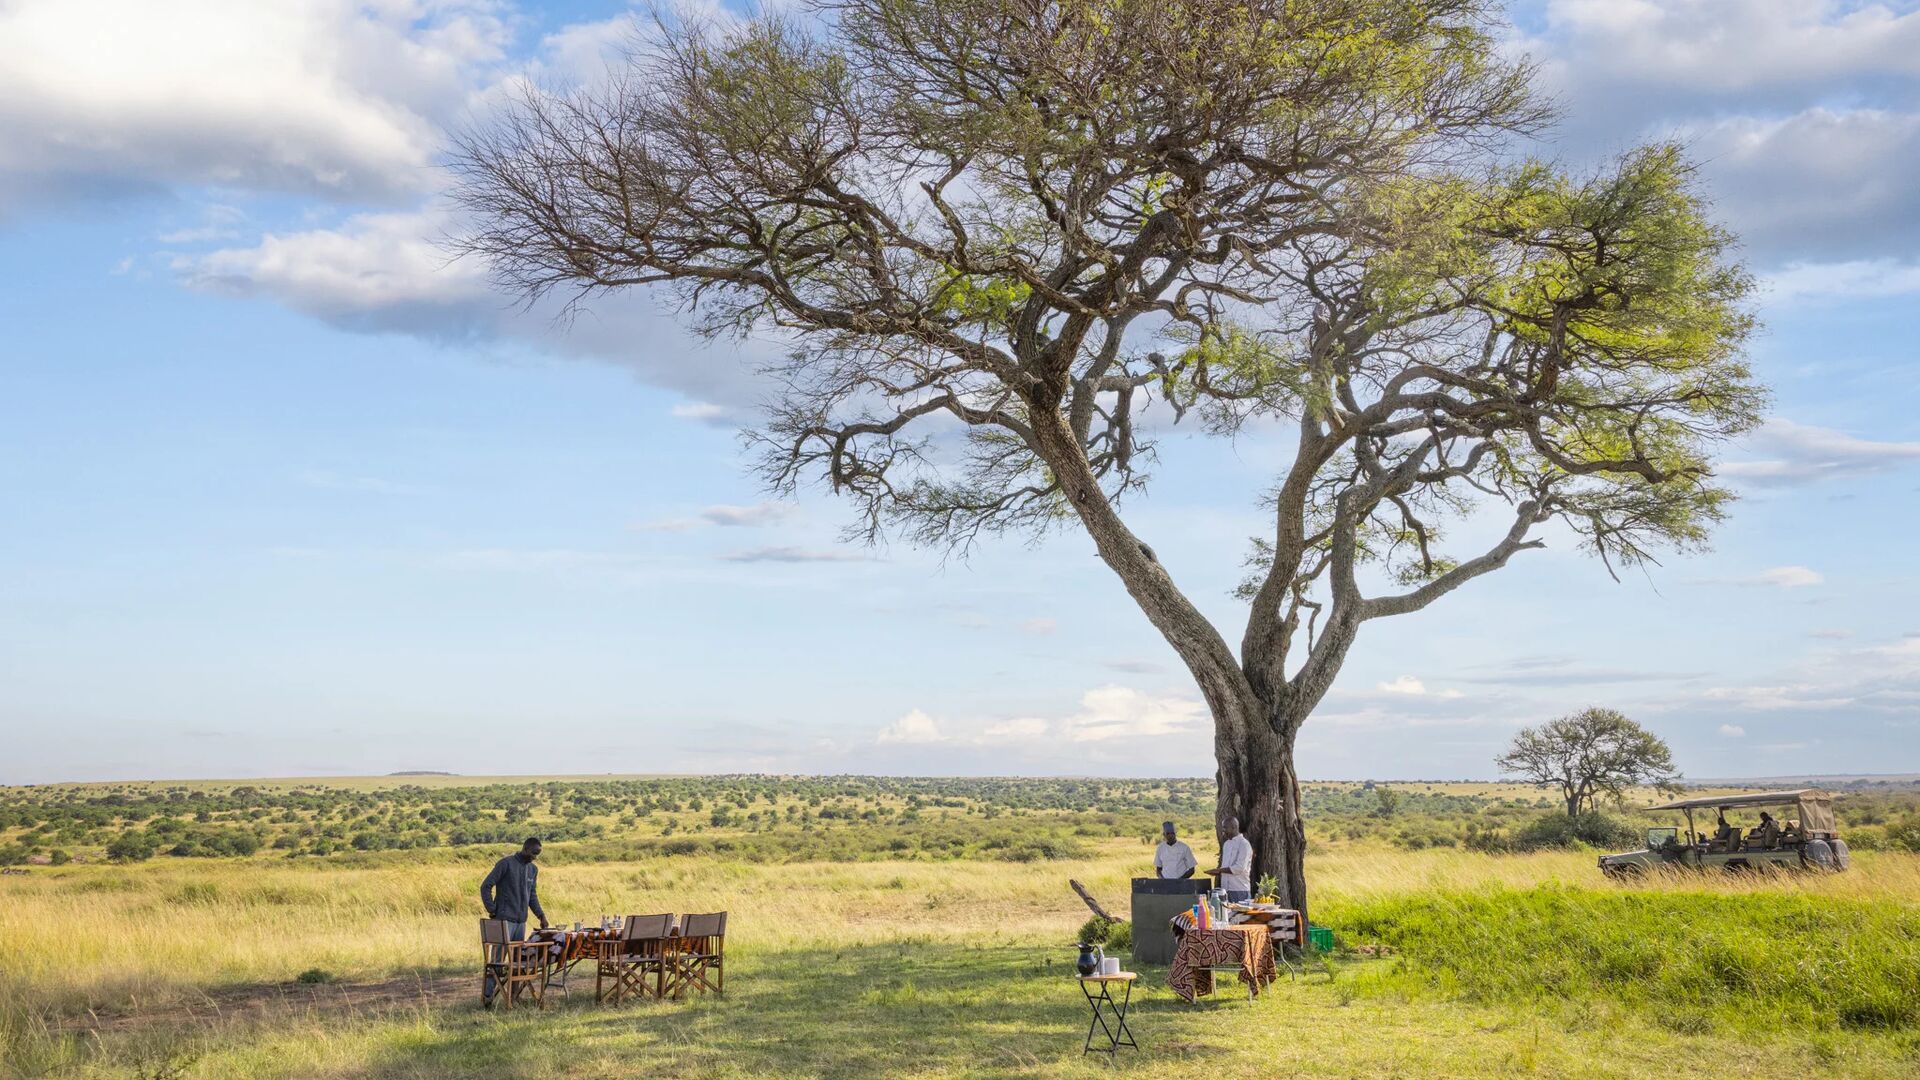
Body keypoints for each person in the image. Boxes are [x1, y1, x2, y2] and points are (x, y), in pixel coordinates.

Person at [480, 837, 549, 1005]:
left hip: (520, 922)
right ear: (525, 848)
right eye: (533, 853)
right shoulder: (506, 863)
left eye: (538, 854)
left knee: (517, 962)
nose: (535, 857)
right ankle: (488, 997)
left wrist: (541, 915)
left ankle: (512, 996)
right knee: (496, 961)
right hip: (503, 921)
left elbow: (532, 895)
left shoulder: (533, 870)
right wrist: (493, 910)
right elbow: (486, 886)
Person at [1206, 816, 1254, 903]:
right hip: (1225, 890)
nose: (1223, 830)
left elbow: (1239, 868)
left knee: (1239, 915)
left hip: (1239, 889)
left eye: (1225, 827)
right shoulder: (1226, 844)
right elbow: (1226, 866)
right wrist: (1218, 872)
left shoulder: (1244, 844)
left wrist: (1219, 871)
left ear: (1234, 827)